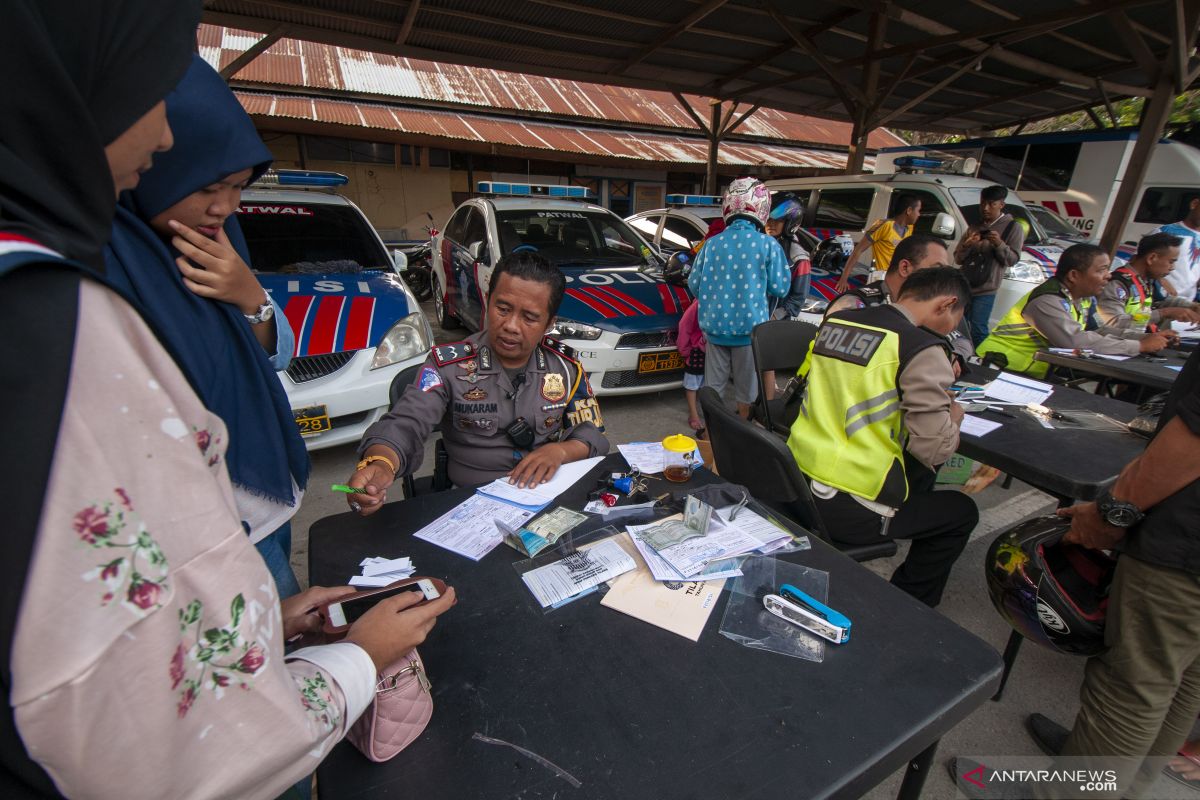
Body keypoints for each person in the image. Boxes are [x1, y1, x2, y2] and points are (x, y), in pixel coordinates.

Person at [0, 3, 455, 796]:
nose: (166, 135)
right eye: (149, 95)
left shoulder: (129, 253)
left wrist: (269, 627)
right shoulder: (51, 317)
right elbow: (176, 738)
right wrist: (360, 657)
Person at [104, 55, 308, 598]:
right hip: (194, 534)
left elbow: (274, 354)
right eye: (210, 186)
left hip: (264, 503)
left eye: (241, 186)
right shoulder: (102, 257)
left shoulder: (219, 241)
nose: (225, 207)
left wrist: (250, 296)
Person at [1022, 342, 1200, 799]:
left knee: (1132, 687)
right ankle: (1120, 782)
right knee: (1179, 679)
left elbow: (1192, 441)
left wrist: (1112, 512)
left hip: (1185, 547)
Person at [347, 251, 609, 511]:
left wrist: (561, 452)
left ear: (549, 323)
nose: (511, 325)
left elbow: (592, 433)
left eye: (529, 318)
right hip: (470, 500)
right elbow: (407, 422)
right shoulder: (448, 366)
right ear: (487, 300)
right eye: (502, 309)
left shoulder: (565, 366)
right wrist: (381, 463)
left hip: (545, 494)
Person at [788, 267, 978, 607]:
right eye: (959, 317)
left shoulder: (839, 322)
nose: (956, 329)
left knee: (914, 478)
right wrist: (954, 414)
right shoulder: (920, 348)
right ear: (947, 304)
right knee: (961, 511)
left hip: (793, 479)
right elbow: (934, 449)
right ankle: (909, 605)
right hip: (850, 500)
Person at [977, 243, 1170, 378]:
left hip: (1033, 372)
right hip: (1000, 369)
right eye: (1101, 270)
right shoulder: (1047, 300)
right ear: (1074, 275)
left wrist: (1141, 338)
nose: (1108, 276)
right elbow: (1073, 341)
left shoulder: (1084, 298)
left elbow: (1097, 331)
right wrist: (1138, 347)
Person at [687, 177, 790, 418]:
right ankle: (741, 440)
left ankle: (711, 441)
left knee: (713, 392)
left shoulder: (711, 245)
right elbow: (781, 288)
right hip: (748, 332)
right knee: (746, 394)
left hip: (714, 330)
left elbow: (694, 285)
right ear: (762, 208)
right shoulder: (768, 245)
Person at [824, 235, 974, 370]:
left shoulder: (934, 306)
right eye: (936, 269)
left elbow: (962, 341)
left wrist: (952, 355)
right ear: (905, 268)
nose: (943, 278)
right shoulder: (854, 304)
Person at [954, 185, 1026, 344]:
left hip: (986, 289)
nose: (985, 208)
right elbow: (958, 258)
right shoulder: (974, 227)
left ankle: (978, 363)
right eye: (982, 203)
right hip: (965, 285)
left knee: (978, 329)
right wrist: (967, 244)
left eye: (991, 204)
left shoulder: (1013, 227)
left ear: (1001, 205)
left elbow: (1012, 260)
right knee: (957, 327)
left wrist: (999, 244)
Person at [1096, 231, 1200, 338]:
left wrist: (1191, 306)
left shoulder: (1147, 281)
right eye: (1171, 261)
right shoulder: (1117, 283)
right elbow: (1114, 323)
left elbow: (1162, 301)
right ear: (1151, 258)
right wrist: (1164, 313)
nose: (1172, 267)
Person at [834, 193, 921, 292]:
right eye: (918, 210)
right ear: (909, 210)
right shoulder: (883, 225)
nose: (919, 214)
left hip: (897, 279)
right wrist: (843, 279)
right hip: (879, 280)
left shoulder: (909, 228)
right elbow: (858, 250)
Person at [765, 193, 813, 319]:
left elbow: (798, 299)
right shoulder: (756, 247)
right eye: (768, 219)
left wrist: (774, 316)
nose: (771, 224)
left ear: (791, 223)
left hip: (772, 326)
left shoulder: (799, 258)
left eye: (779, 220)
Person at [1151, 192, 1200, 300]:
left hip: (1189, 304)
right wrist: (1160, 279)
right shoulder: (1164, 231)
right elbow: (1138, 262)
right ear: (1194, 204)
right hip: (1161, 301)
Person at [677, 299, 707, 432]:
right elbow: (684, 326)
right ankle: (693, 415)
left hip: (713, 351)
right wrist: (684, 350)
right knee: (692, 384)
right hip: (696, 351)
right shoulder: (698, 305)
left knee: (708, 384)